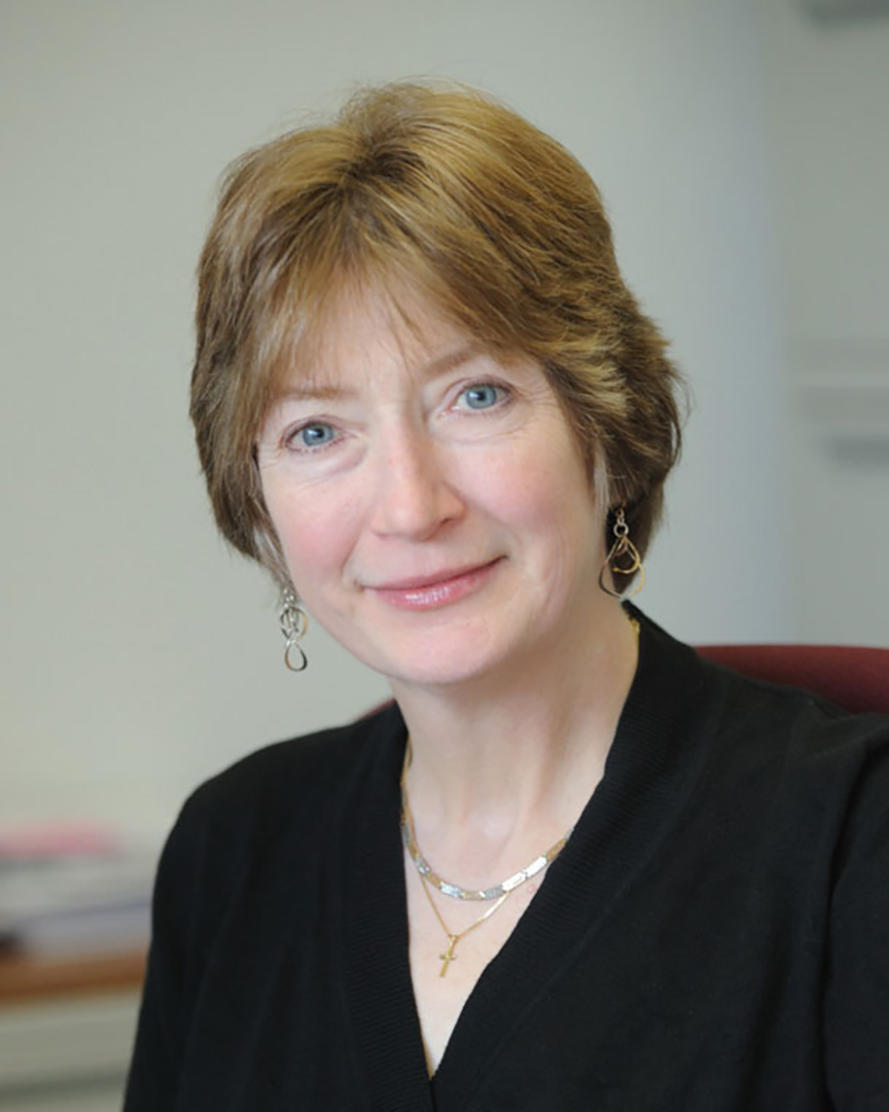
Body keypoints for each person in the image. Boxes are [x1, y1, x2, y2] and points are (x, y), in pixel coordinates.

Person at [124, 81, 889, 1111]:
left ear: (605, 424)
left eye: (474, 395)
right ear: (254, 494)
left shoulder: (849, 840)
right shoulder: (233, 850)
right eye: (317, 431)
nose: (409, 505)